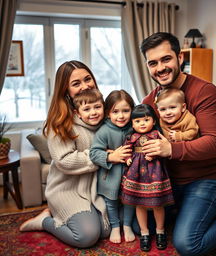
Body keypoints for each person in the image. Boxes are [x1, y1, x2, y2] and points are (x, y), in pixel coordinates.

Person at [139, 32, 216, 256]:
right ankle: (185, 212)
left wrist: (171, 148)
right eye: (153, 63)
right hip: (170, 181)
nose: (160, 68)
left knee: (187, 244)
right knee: (140, 227)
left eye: (166, 59)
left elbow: (215, 143)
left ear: (180, 57)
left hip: (206, 178)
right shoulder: (148, 102)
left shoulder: (205, 91)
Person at [20, 61, 110, 248]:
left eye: (87, 79)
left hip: (96, 188)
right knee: (87, 236)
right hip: (68, 189)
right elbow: (65, 161)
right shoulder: (60, 122)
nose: (85, 85)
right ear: (65, 90)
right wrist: (103, 156)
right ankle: (45, 221)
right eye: (76, 83)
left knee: (107, 230)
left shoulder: (100, 111)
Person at [121, 104, 174, 252]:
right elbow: (126, 151)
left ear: (154, 121)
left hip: (155, 174)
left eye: (146, 120)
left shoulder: (157, 136)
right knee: (140, 204)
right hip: (136, 175)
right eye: (137, 121)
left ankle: (160, 231)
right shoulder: (131, 137)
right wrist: (127, 159)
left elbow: (167, 148)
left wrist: (156, 153)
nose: (142, 124)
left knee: (158, 204)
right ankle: (144, 233)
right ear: (132, 123)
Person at [89, 90, 136, 244]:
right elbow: (94, 153)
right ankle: (115, 226)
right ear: (108, 113)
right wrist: (110, 156)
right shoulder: (104, 131)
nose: (121, 116)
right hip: (109, 175)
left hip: (131, 174)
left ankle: (127, 225)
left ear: (132, 111)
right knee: (111, 201)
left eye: (126, 111)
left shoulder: (134, 128)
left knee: (130, 200)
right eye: (115, 111)